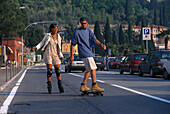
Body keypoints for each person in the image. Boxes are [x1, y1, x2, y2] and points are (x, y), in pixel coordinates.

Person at [70, 17, 106, 92]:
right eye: (82, 23)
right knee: (93, 68)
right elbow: (73, 44)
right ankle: (94, 85)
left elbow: (94, 39)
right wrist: (72, 55)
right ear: (80, 23)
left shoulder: (88, 30)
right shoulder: (77, 32)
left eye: (85, 23)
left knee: (89, 69)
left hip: (89, 52)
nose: (83, 25)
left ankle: (83, 85)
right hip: (84, 52)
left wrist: (101, 44)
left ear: (87, 23)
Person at [32, 23, 64, 94]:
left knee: (58, 71)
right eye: (54, 29)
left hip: (55, 54)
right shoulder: (47, 35)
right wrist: (36, 47)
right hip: (48, 53)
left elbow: (59, 48)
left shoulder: (58, 37)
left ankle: (60, 86)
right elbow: (42, 42)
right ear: (51, 29)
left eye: (56, 29)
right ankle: (49, 86)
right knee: (49, 71)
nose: (55, 30)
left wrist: (61, 56)